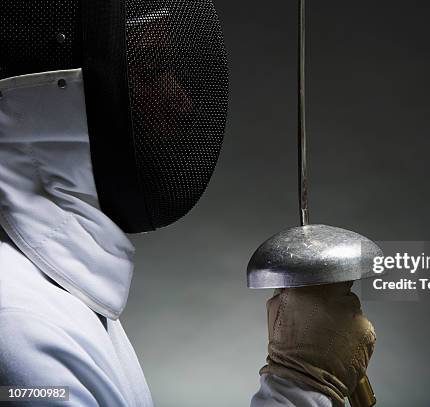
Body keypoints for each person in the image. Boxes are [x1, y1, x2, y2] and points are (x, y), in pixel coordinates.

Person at [0, 1, 375, 406]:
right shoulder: (21, 328)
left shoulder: (58, 291)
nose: (181, 100)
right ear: (62, 95)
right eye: (150, 70)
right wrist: (302, 385)